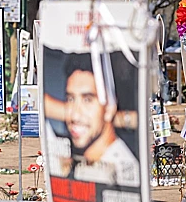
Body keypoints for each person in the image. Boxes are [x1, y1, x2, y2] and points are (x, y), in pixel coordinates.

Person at [44, 53, 140, 186]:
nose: (75, 115)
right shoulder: (78, 159)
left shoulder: (121, 171)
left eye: (87, 100)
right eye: (71, 99)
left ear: (110, 107)